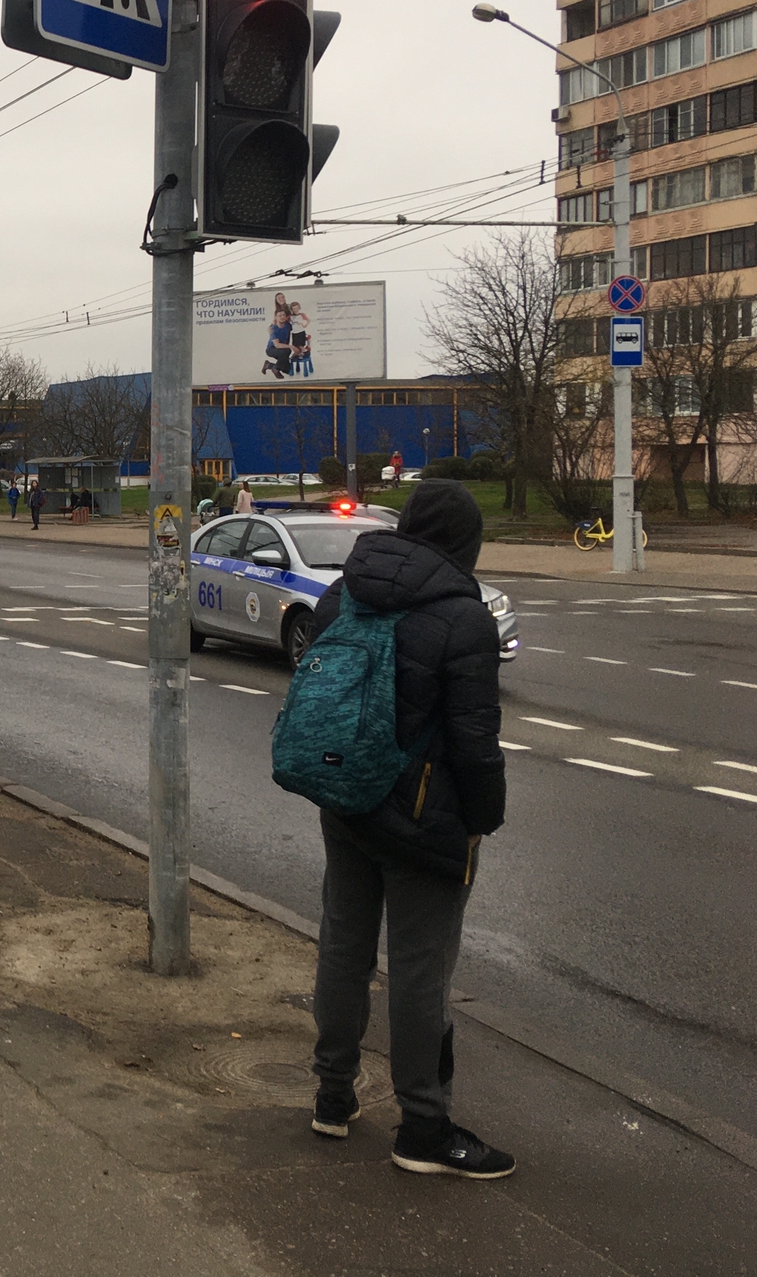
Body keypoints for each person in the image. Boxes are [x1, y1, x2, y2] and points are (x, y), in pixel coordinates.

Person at [305, 478, 513, 1179]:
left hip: (348, 800)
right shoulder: (464, 617)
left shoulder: (343, 592)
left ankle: (333, 1097)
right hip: (427, 821)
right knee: (421, 973)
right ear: (465, 543)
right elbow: (475, 743)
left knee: (343, 948)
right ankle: (423, 1128)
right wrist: (481, 822)